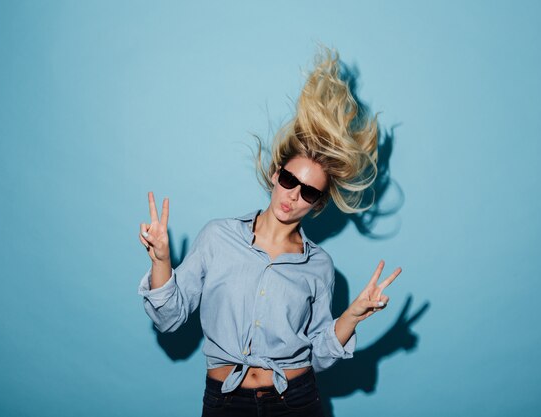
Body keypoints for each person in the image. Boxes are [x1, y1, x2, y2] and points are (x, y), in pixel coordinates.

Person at [137, 47, 402, 417]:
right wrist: (162, 261)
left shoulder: (320, 267)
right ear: (277, 174)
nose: (293, 196)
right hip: (225, 402)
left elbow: (321, 358)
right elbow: (168, 319)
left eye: (308, 191)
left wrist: (352, 316)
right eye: (290, 179)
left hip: (296, 401)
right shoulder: (217, 237)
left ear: (318, 204)